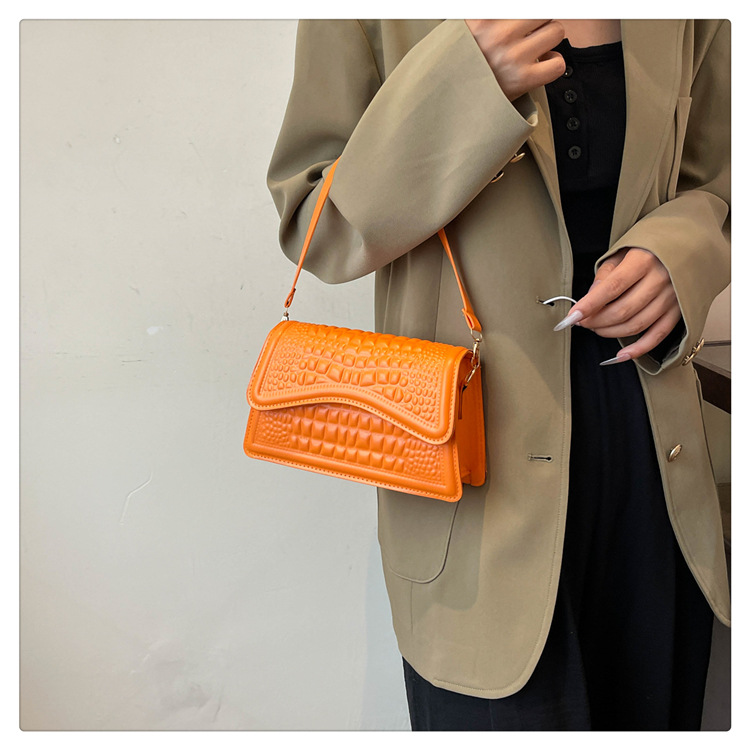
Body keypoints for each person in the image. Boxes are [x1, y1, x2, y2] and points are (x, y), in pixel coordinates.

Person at [265, 19, 730, 730]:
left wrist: (681, 256)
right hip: (468, 470)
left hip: (653, 458)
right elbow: (315, 227)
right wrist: (463, 87)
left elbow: (717, 182)